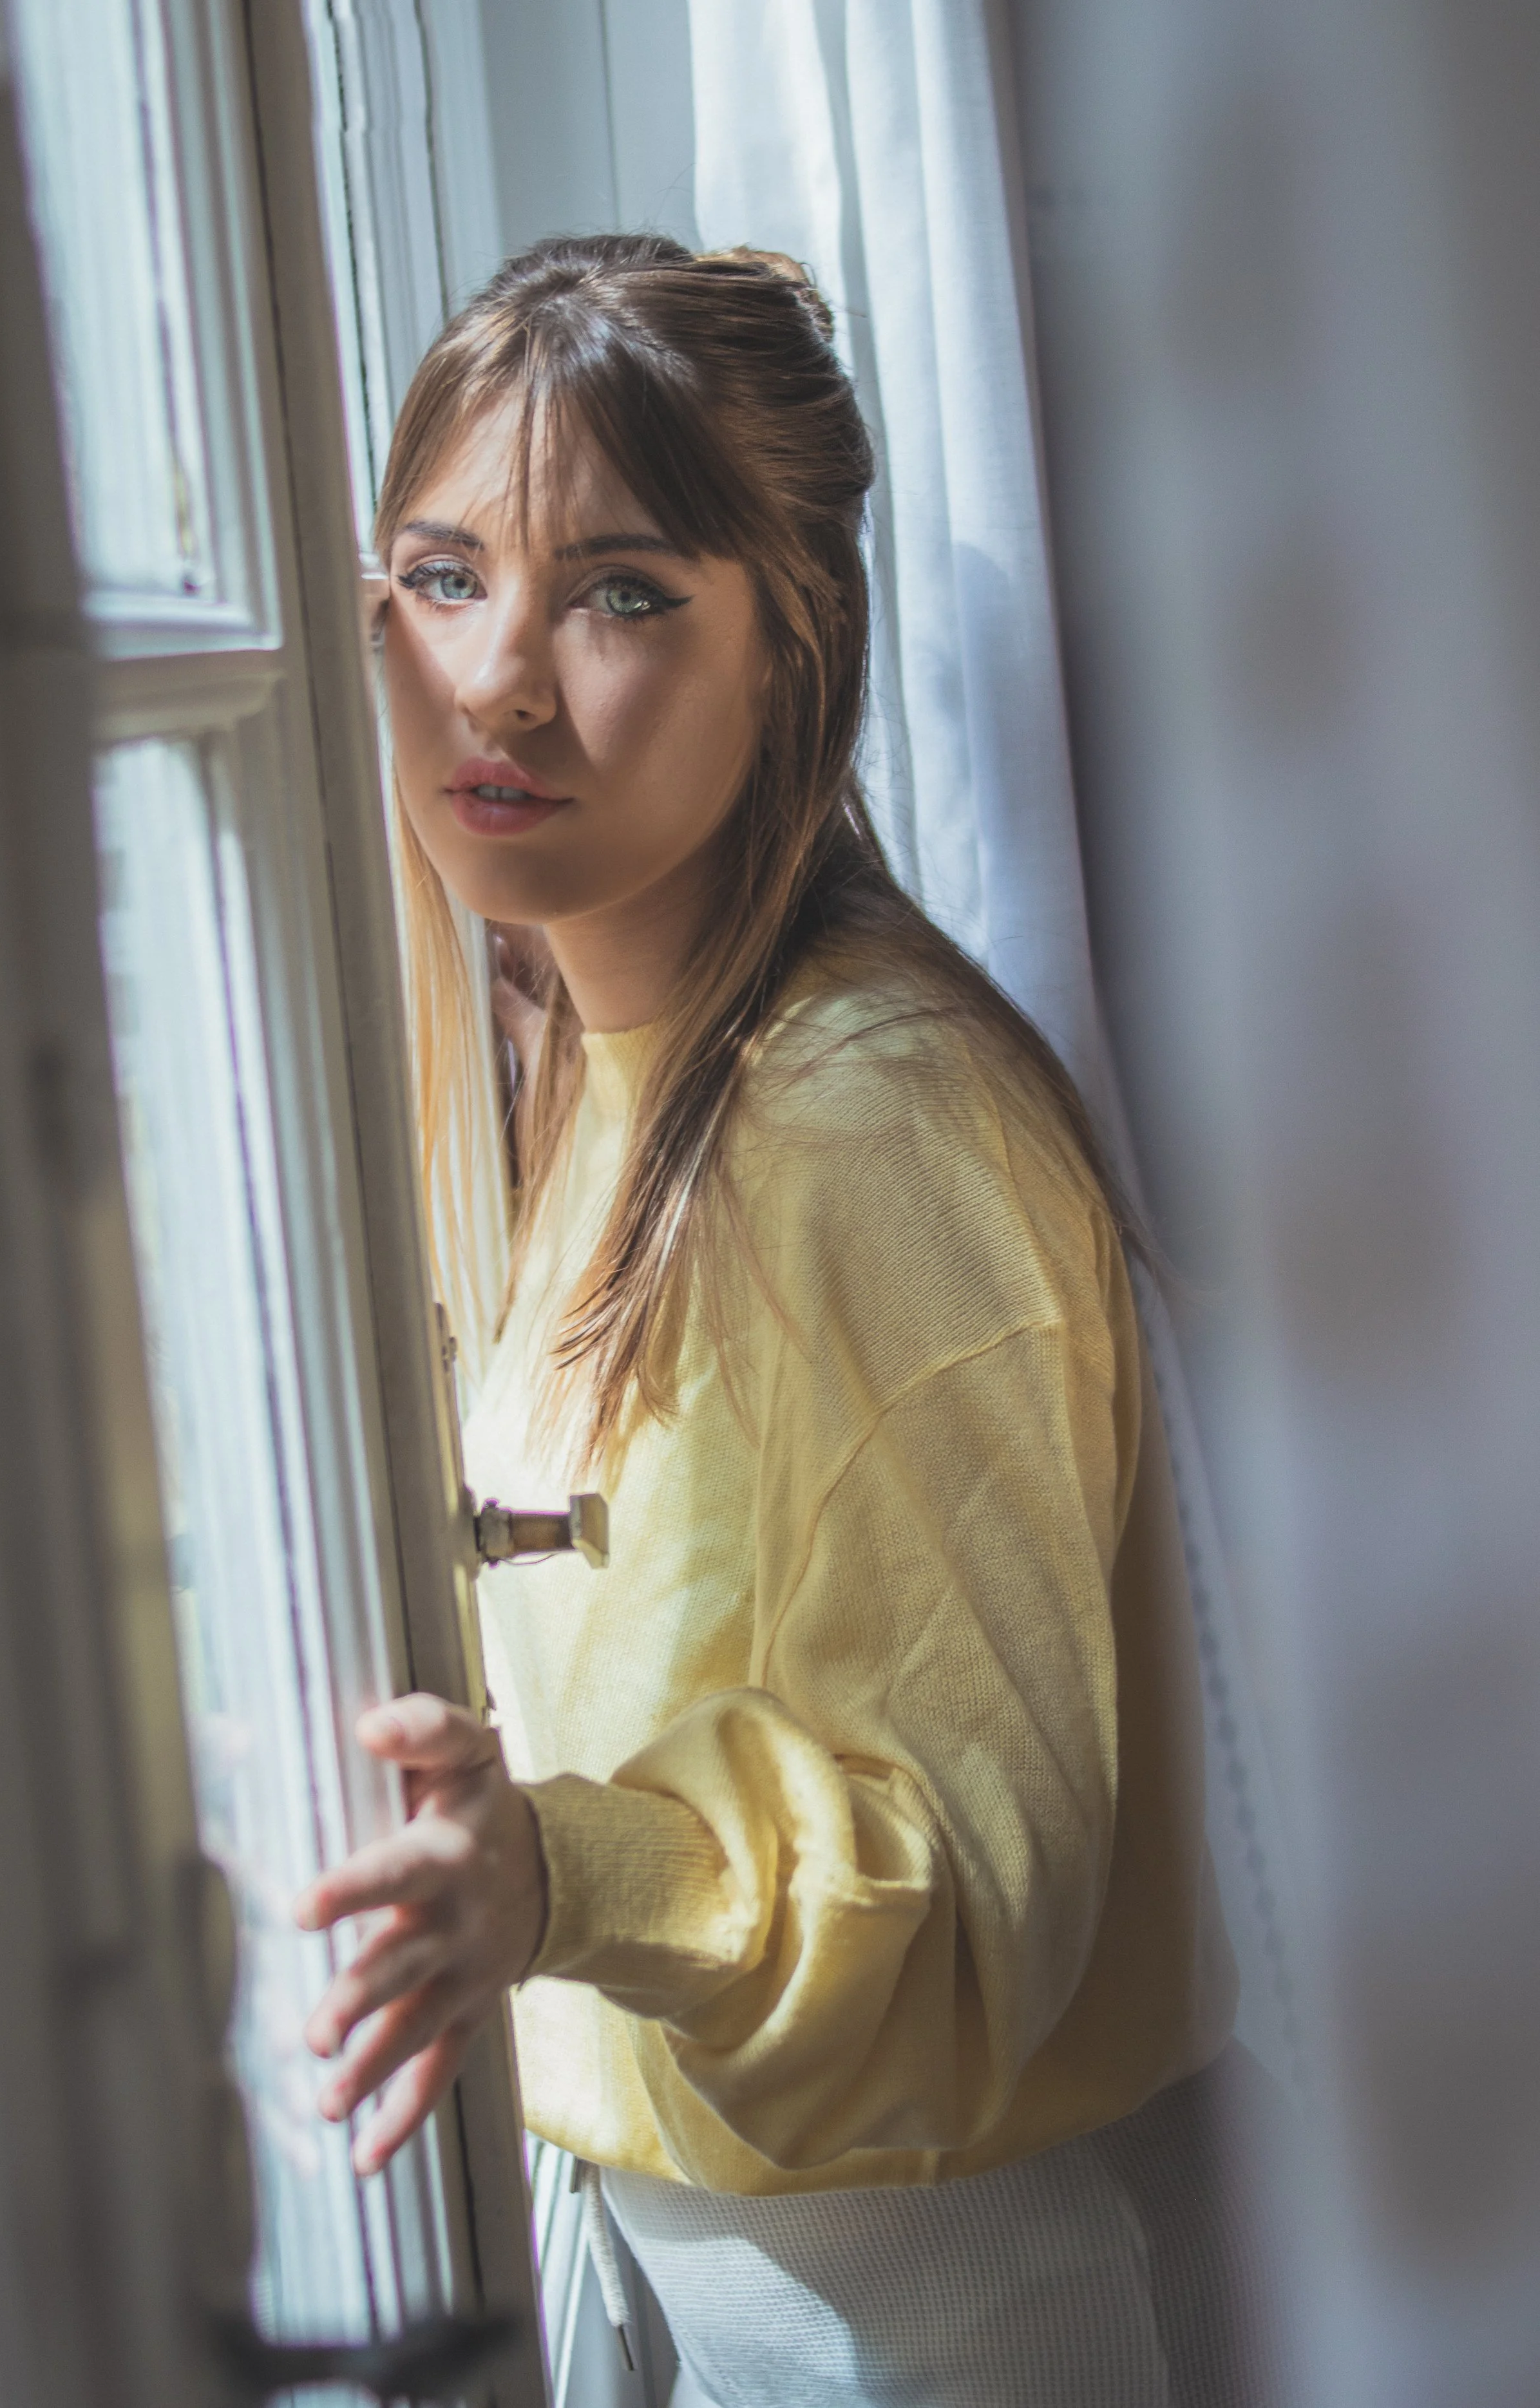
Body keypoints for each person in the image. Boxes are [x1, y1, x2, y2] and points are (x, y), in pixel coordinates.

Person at [294, 232, 1268, 2407]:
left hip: (928, 2288)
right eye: (441, 580)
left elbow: (978, 1861)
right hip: (681, 2240)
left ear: (791, 643)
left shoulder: (861, 1119)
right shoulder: (556, 1065)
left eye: (622, 593)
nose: (502, 685)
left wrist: (556, 1866)